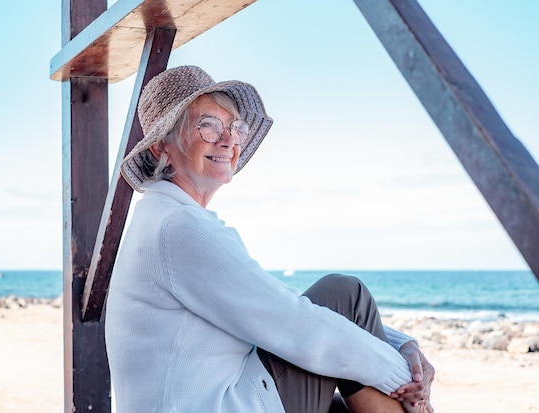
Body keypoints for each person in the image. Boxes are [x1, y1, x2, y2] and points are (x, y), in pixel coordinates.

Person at [105, 65, 435, 413]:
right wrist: (405, 380)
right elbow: (296, 322)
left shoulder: (165, 219)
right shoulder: (178, 227)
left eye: (233, 126)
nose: (228, 139)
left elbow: (274, 302)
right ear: (161, 148)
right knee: (346, 294)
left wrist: (402, 346)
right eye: (207, 125)